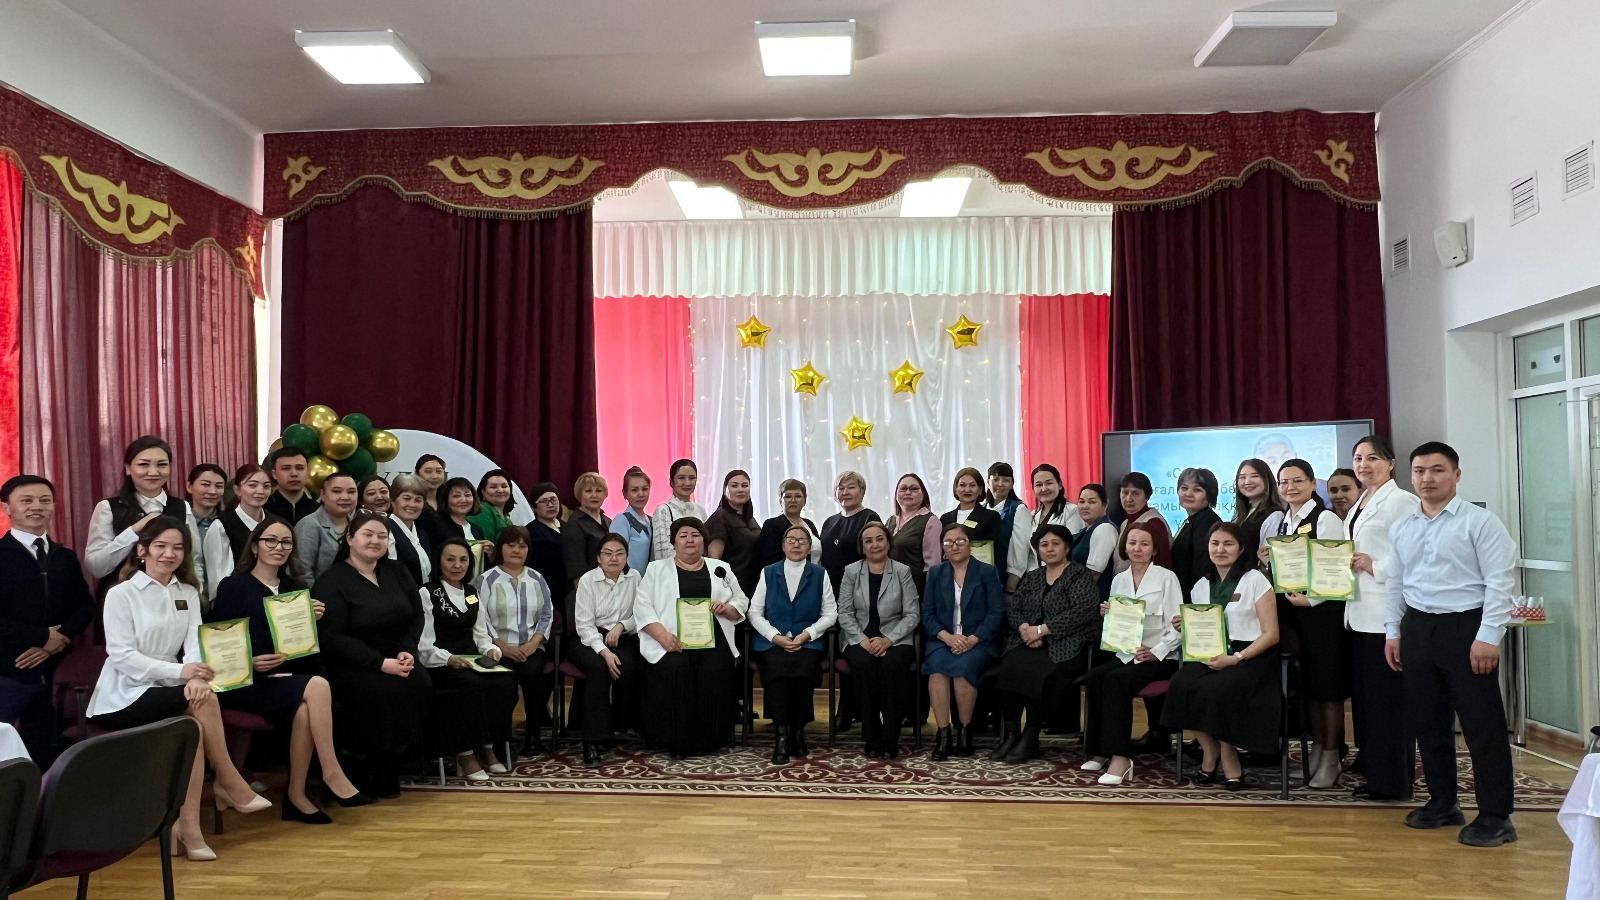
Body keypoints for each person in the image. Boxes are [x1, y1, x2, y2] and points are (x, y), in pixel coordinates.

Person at [85, 517, 271, 861]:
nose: (169, 554)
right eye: (160, 546)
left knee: (194, 729)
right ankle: (228, 780)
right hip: (125, 694)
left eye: (177, 547)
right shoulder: (121, 594)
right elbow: (122, 656)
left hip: (173, 688)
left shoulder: (187, 592)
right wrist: (183, 673)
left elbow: (195, 645)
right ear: (142, 550)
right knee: (202, 703)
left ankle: (188, 831)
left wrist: (196, 676)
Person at [1385, 442, 1518, 847]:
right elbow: (1395, 583)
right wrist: (1393, 632)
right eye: (1420, 471)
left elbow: (1500, 583)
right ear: (1411, 477)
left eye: (1437, 470)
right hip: (1418, 628)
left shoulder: (1481, 523)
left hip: (1467, 628)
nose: (1427, 478)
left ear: (1456, 475)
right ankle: (1443, 802)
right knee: (1428, 722)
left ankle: (1496, 816)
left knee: (1482, 726)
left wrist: (1488, 637)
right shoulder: (1403, 526)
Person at [209, 519, 374, 822]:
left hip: (283, 679)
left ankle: (296, 796)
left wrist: (312, 620)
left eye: (286, 542)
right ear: (255, 546)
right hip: (244, 681)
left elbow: (300, 649)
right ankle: (331, 771)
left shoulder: (295, 590)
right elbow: (220, 644)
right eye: (270, 540)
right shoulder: (233, 587)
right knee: (318, 685)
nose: (279, 547)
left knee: (305, 710)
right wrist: (251, 661)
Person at [315, 512, 432, 798]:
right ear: (350, 538)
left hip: (398, 654)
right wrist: (379, 663)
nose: (375, 541)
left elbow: (415, 616)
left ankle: (390, 765)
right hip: (353, 661)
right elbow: (332, 637)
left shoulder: (397, 571)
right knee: (377, 692)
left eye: (382, 536)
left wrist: (406, 650)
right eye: (367, 534)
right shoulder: (332, 580)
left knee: (419, 682)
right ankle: (360, 766)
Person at [1160, 522, 1281, 791]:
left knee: (1218, 689)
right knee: (1181, 684)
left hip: (1250, 655)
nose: (1220, 549)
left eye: (1228, 544)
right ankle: (1209, 749)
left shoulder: (1255, 580)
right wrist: (1185, 625)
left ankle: (1228, 754)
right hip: (1211, 652)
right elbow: (1202, 630)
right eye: (1215, 543)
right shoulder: (1201, 585)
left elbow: (1271, 634)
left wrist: (1236, 658)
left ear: (1241, 549)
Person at [1344, 435, 1420, 802]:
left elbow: (1414, 552)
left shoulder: (1401, 500)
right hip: (1359, 614)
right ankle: (1378, 773)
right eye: (1358, 458)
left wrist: (1374, 565)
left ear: (1390, 463)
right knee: (1370, 703)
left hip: (1386, 614)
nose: (1364, 465)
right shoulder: (1362, 501)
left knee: (1389, 704)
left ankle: (1393, 783)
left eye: (1372, 458)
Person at [634, 517, 747, 758]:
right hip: (671, 640)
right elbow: (642, 606)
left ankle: (711, 740)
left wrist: (727, 608)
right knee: (677, 669)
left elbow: (741, 599)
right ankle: (677, 740)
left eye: (695, 535)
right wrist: (662, 636)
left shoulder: (720, 568)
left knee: (715, 670)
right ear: (674, 542)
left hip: (713, 638)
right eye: (683, 535)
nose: (690, 540)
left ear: (704, 540)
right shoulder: (656, 569)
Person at [0, 476, 94, 764]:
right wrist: (42, 637)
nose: (36, 506)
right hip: (8, 669)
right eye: (26, 501)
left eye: (44, 500)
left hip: (55, 672)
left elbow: (84, 607)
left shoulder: (64, 556)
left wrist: (57, 640)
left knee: (45, 751)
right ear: (6, 508)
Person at [1082, 523, 1182, 785]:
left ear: (1154, 549)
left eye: (1144, 544)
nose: (1137, 549)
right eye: (1132, 543)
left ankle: (1121, 758)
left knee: (1116, 681)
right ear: (1124, 546)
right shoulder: (1119, 579)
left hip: (1161, 657)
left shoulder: (1166, 578)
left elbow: (1178, 626)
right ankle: (1100, 751)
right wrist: (1108, 614)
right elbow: (1119, 626)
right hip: (1128, 654)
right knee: (1095, 677)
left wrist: (1157, 651)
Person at [991, 524, 1101, 764]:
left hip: (1068, 643)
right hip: (1028, 640)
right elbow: (1014, 608)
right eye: (1044, 545)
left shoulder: (1079, 575)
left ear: (1067, 548)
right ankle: (1011, 734)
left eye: (1055, 544)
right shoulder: (1033, 576)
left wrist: (1041, 630)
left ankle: (1031, 736)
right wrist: (1025, 629)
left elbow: (1083, 612)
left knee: (1040, 672)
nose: (1049, 549)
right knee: (1009, 666)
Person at [1273, 458, 1350, 789]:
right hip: (1295, 614)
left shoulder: (1325, 518)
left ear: (1311, 483)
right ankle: (1317, 753)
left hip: (1323, 615)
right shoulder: (1285, 521)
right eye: (1284, 482)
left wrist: (1313, 600)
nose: (1290, 487)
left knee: (1328, 689)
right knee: (1311, 690)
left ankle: (1332, 759)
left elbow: (1337, 567)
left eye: (1297, 481)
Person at [417, 538, 515, 782]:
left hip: (472, 659)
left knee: (503, 681)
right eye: (450, 559)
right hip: (441, 662)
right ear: (439, 562)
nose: (457, 565)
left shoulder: (471, 592)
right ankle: (466, 753)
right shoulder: (427, 593)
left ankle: (488, 747)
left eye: (463, 560)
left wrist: (490, 649)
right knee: (470, 686)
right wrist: (449, 659)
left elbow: (480, 634)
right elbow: (424, 644)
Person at [749, 525, 836, 764]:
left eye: (802, 540)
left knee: (803, 668)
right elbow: (754, 612)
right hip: (773, 642)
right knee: (777, 669)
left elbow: (831, 613)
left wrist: (808, 634)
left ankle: (798, 731)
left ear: (809, 548)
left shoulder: (819, 574)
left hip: (807, 642)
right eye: (791, 539)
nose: (796, 544)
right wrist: (774, 636)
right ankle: (781, 736)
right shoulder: (768, 572)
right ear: (783, 545)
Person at [921, 522, 1004, 760]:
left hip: (978, 641)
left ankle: (965, 733)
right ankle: (943, 735)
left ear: (970, 545)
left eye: (960, 541)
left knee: (963, 670)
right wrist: (947, 637)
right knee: (937, 672)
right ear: (942, 548)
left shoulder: (987, 572)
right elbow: (927, 614)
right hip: (943, 640)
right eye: (948, 542)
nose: (954, 546)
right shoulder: (936, 573)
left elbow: (995, 613)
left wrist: (973, 639)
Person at [837, 522, 918, 758]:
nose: (874, 545)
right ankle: (871, 734)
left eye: (879, 539)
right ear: (862, 547)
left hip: (896, 638)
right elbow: (845, 612)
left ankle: (890, 737)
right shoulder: (851, 571)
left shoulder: (902, 571)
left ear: (888, 543)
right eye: (868, 541)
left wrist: (888, 640)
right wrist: (862, 640)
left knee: (892, 667)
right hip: (859, 637)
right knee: (863, 665)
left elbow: (912, 614)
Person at [85, 435, 205, 594]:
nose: (153, 472)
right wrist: (133, 531)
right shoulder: (108, 508)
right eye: (143, 464)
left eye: (162, 465)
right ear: (128, 468)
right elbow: (96, 567)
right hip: (122, 598)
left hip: (172, 596)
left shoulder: (182, 507)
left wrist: (196, 593)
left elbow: (194, 560)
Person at [477, 526, 556, 756]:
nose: (516, 550)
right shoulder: (487, 579)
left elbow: (547, 614)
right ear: (500, 548)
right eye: (511, 545)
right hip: (496, 647)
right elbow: (481, 617)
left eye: (522, 546)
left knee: (534, 679)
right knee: (505, 685)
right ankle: (500, 741)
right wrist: (502, 646)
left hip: (531, 646)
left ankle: (533, 738)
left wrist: (534, 643)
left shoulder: (537, 578)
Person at [571, 534, 644, 767]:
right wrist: (604, 651)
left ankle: (616, 726)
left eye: (619, 553)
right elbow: (584, 625)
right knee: (599, 670)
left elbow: (641, 614)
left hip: (621, 635)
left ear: (626, 557)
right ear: (598, 558)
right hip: (588, 638)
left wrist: (622, 626)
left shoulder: (634, 577)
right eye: (608, 553)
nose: (614, 558)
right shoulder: (587, 580)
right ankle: (592, 741)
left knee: (629, 667)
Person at [202, 464, 272, 597]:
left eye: (266, 486)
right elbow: (218, 579)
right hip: (238, 598)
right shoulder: (222, 526)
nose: (260, 491)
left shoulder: (275, 523)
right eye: (252, 485)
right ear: (237, 490)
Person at [820, 471, 881, 594]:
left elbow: (877, 557)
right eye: (841, 488)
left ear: (862, 490)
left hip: (859, 588)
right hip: (829, 589)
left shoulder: (870, 518)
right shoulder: (829, 522)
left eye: (851, 487)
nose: (845, 492)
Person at [705, 470, 763, 597]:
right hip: (731, 589)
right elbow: (714, 561)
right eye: (734, 486)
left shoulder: (751, 519)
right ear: (725, 489)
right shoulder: (719, 518)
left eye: (744, 485)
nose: (740, 489)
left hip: (754, 587)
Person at [295, 471, 358, 588]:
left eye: (351, 492)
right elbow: (302, 573)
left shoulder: (358, 525)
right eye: (336, 491)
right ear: (323, 495)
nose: (345, 497)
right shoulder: (309, 525)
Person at [884, 474, 942, 594]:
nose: (908, 492)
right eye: (903, 489)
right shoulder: (890, 521)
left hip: (915, 589)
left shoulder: (930, 521)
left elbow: (933, 565)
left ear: (923, 494)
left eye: (914, 489)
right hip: (889, 587)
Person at [1170, 468, 1223, 595]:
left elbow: (1202, 569)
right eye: (1184, 488)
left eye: (1197, 490)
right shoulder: (1193, 520)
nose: (1188, 494)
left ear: (1209, 495)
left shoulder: (1207, 522)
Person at [939, 467, 1003, 570]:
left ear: (980, 490)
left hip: (980, 573)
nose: (967, 490)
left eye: (972, 485)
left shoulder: (991, 517)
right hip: (950, 573)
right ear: (956, 489)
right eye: (962, 485)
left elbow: (998, 553)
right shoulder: (945, 519)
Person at [983, 462, 1034, 592]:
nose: (1000, 484)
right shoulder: (981, 509)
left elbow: (1020, 550)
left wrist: (1011, 585)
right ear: (987, 482)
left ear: (1012, 484)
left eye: (1006, 480)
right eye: (995, 479)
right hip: (980, 579)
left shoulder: (1018, 509)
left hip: (1005, 581)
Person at [563, 472, 612, 598]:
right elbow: (576, 570)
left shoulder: (608, 521)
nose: (594, 495)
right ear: (579, 494)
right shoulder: (574, 524)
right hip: (587, 594)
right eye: (588, 491)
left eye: (599, 490)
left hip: (609, 589)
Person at [525, 484, 569, 620]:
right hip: (545, 589)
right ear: (534, 507)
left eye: (553, 500)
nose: (550, 505)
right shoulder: (531, 531)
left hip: (568, 588)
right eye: (544, 501)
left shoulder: (568, 527)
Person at [1232, 458, 1285, 569]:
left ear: (1267, 480)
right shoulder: (1241, 514)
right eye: (1242, 477)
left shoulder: (1275, 515)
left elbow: (1266, 559)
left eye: (1254, 476)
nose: (1247, 482)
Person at [427, 477, 492, 568]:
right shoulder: (435, 525)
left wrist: (490, 553)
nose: (463, 500)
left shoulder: (477, 529)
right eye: (456, 496)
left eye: (467, 495)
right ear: (445, 500)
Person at [1113, 472, 1171, 574]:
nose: (1129, 499)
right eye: (1125, 492)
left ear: (1147, 497)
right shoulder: (1125, 523)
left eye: (1136, 493)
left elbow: (1162, 564)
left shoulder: (1154, 523)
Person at [650, 459, 707, 561]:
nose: (687, 483)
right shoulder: (663, 510)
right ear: (671, 482)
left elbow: (705, 547)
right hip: (672, 568)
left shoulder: (700, 511)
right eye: (681, 478)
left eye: (692, 478)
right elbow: (663, 553)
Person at [757, 479, 821, 566]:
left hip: (817, 573)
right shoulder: (772, 525)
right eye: (787, 496)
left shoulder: (809, 524)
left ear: (804, 501)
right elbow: (770, 561)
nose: (793, 500)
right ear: (780, 500)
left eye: (798, 496)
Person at [385, 474, 435, 587]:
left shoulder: (422, 534)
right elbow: (390, 574)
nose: (413, 504)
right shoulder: (386, 530)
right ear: (393, 501)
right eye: (406, 498)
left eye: (418, 500)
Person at [1072, 484, 1118, 603]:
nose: (1085, 506)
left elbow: (1093, 573)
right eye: (1081, 502)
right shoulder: (1085, 530)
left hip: (1090, 600)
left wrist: (1075, 599)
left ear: (1105, 505)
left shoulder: (1104, 529)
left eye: (1092, 502)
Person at [608, 467, 655, 573]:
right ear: (625, 494)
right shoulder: (622, 520)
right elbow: (614, 557)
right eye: (634, 490)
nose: (640, 494)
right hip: (627, 580)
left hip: (649, 581)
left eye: (645, 489)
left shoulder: (651, 521)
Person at [263, 447, 319, 525]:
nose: (294, 474)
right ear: (274, 474)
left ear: (307, 472)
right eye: (286, 468)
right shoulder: (262, 510)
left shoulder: (319, 511)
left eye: (299, 468)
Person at [469, 469, 516, 542]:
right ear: (483, 491)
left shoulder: (506, 516)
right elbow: (486, 545)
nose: (500, 490)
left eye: (504, 486)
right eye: (493, 487)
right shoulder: (481, 511)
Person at [185, 464, 227, 541]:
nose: (213, 492)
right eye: (205, 484)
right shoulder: (179, 520)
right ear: (189, 487)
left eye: (219, 486)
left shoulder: (228, 522)